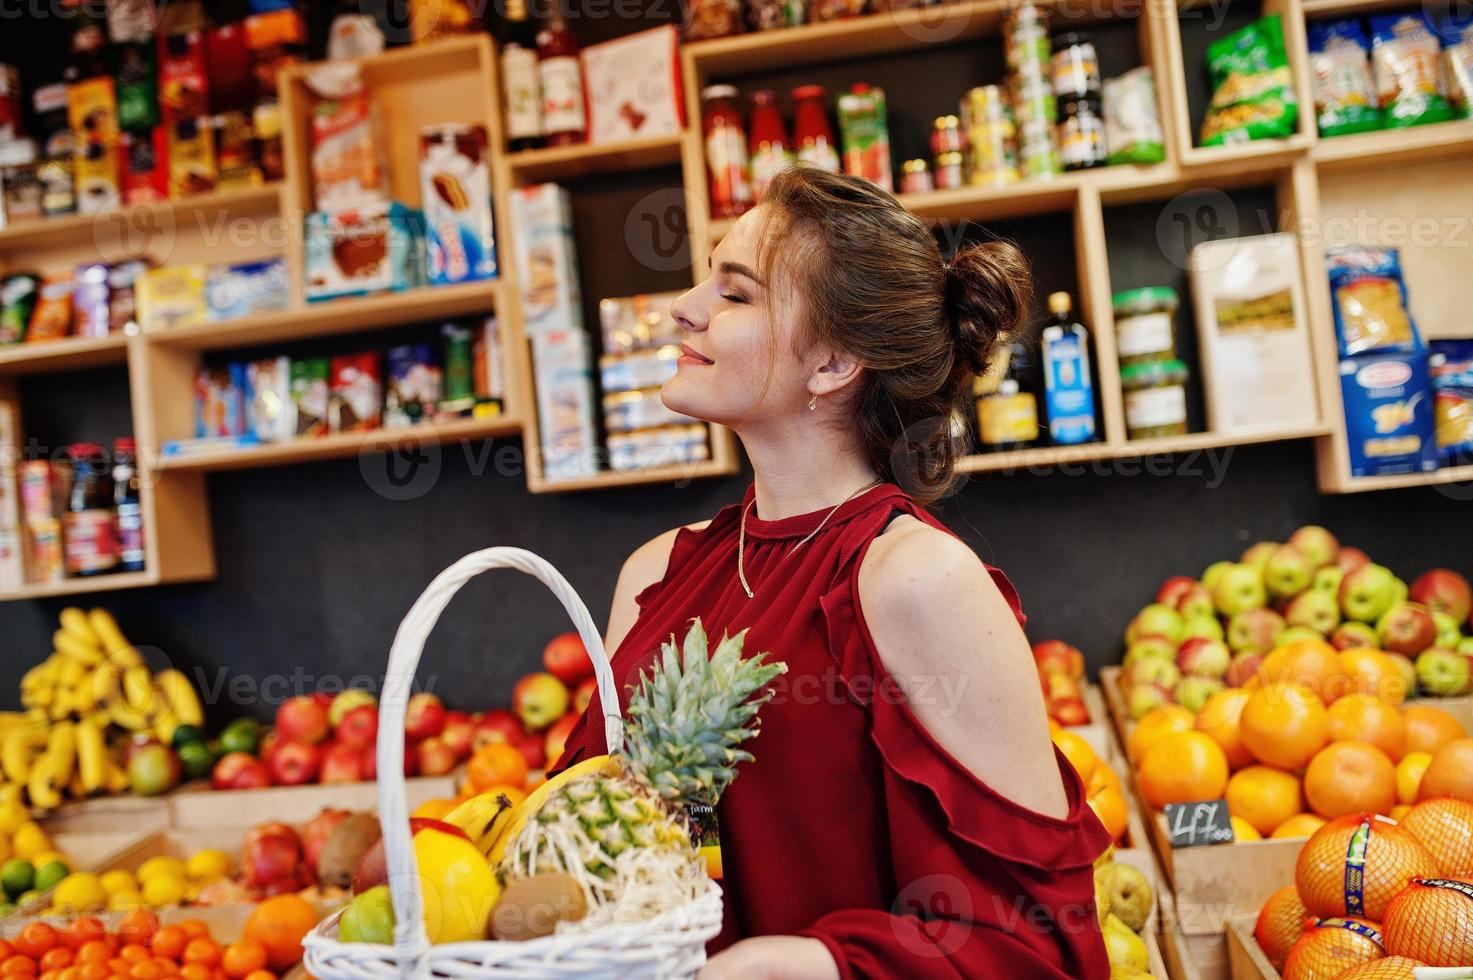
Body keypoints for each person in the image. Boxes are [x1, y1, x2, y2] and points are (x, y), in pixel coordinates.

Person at [552, 166, 1111, 979]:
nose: (685, 306)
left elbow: (1038, 947)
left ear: (834, 362)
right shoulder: (650, 576)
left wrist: (805, 963)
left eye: (735, 294)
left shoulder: (915, 579)